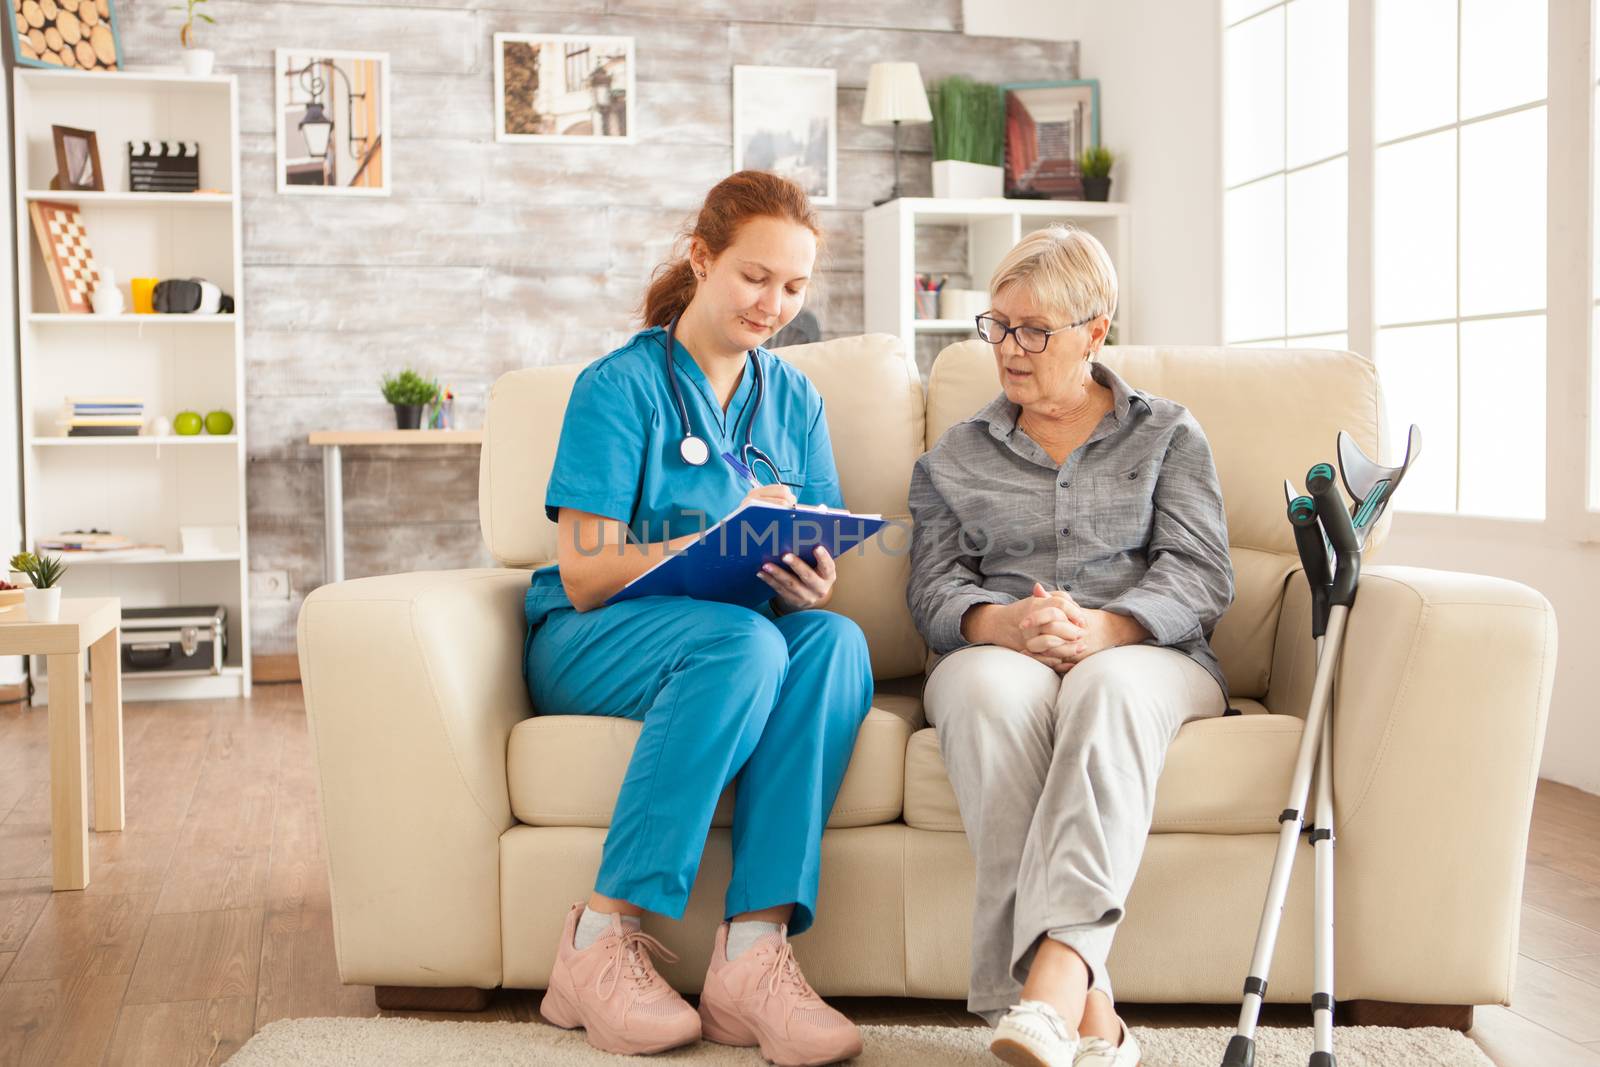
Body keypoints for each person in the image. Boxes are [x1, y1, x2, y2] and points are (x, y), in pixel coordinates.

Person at [524, 170, 872, 1066]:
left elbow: (815, 538)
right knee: (744, 639)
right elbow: (588, 572)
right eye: (755, 277)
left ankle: (752, 958)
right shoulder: (620, 387)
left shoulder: (794, 399)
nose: (774, 304)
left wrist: (808, 577)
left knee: (833, 642)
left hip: (738, 637)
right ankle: (596, 940)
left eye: (794, 287)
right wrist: (712, 539)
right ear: (702, 257)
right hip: (593, 639)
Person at [906, 225, 1235, 1067]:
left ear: (1097, 331)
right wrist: (999, 623)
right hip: (999, 652)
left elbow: (1202, 573)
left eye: (1035, 331)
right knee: (983, 691)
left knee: (1106, 688)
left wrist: (1109, 629)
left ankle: (1048, 989)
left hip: (1148, 657)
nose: (1010, 350)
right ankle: (1090, 1019)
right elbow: (932, 588)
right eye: (998, 325)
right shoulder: (953, 456)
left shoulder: (1167, 434)